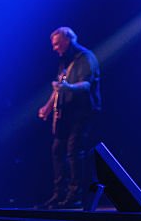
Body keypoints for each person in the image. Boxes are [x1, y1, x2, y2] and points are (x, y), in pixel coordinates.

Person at [38, 26, 101, 209]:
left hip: (82, 112)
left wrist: (69, 88)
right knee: (57, 150)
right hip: (66, 114)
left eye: (57, 44)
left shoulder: (85, 58)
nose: (54, 48)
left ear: (67, 40)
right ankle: (59, 194)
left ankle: (75, 195)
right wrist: (48, 107)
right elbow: (59, 87)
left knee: (74, 151)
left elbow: (86, 85)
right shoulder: (65, 61)